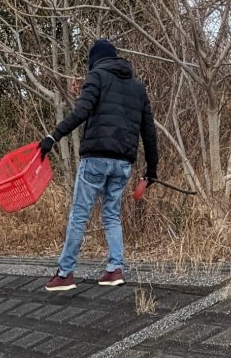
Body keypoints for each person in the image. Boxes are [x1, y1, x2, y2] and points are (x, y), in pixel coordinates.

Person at [37, 39, 159, 293]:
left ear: (95, 60)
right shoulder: (138, 88)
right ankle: (115, 269)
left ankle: (65, 273)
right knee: (112, 215)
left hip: (95, 159)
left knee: (79, 215)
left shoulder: (97, 76)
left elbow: (81, 112)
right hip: (122, 163)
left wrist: (53, 137)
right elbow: (148, 132)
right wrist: (151, 172)